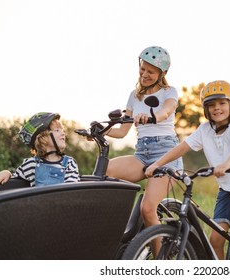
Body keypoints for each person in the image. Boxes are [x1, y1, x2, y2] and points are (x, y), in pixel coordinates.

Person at [145, 80, 230, 260]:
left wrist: (227, 164)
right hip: (227, 190)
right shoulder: (204, 130)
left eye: (222, 103)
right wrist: (158, 163)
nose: (216, 108)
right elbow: (182, 147)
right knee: (216, 240)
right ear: (205, 109)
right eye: (211, 105)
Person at [102, 46, 183, 247]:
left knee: (148, 208)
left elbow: (166, 111)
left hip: (166, 154)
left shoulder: (169, 92)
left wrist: (152, 117)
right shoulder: (134, 95)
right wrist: (100, 130)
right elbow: (122, 132)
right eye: (143, 69)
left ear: (161, 74)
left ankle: (160, 262)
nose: (145, 74)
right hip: (142, 153)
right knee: (103, 171)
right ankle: (119, 230)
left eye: (151, 71)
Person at [0, 112, 80, 187]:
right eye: (57, 130)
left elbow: (71, 191)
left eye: (62, 130)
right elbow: (15, 177)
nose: (63, 133)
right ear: (43, 137)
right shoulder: (32, 164)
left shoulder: (69, 163)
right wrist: (6, 173)